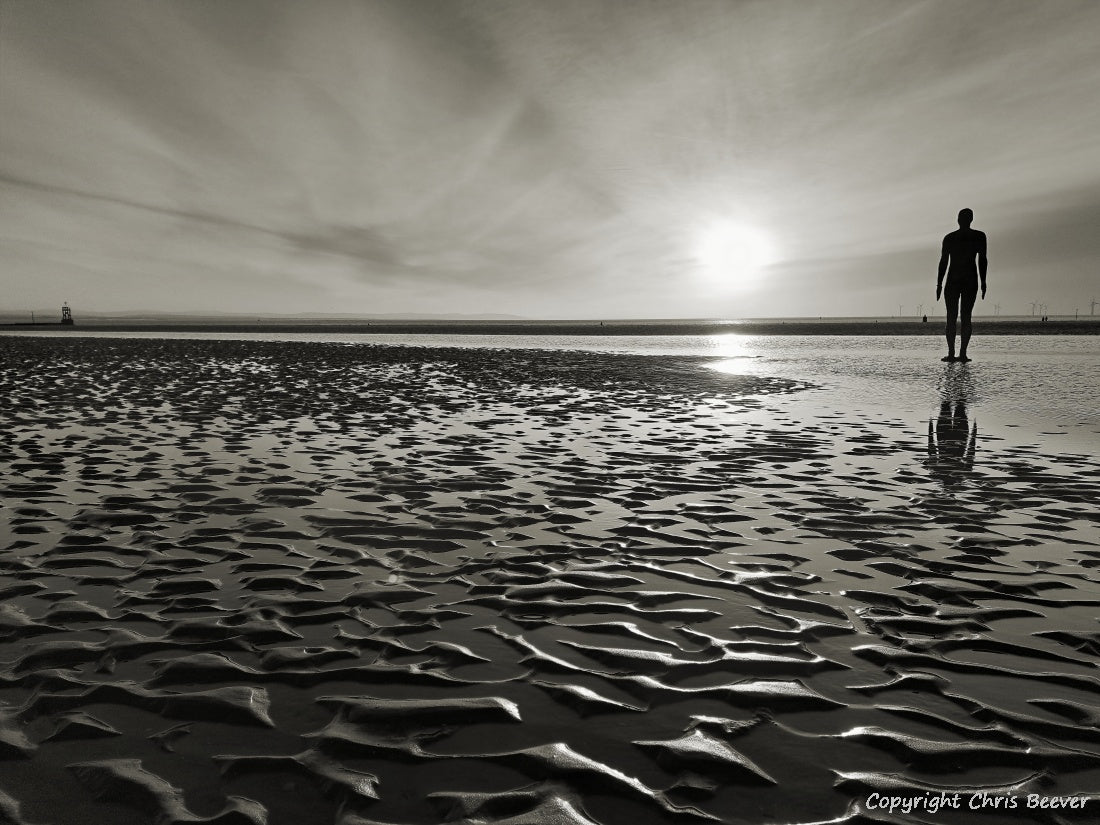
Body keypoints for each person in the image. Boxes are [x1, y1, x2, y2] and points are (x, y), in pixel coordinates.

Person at [935, 208, 987, 362]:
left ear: (959, 219)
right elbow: (944, 261)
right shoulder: (976, 236)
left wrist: (939, 283)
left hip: (958, 280)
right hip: (965, 280)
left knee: (954, 318)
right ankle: (959, 353)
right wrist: (983, 281)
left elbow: (982, 260)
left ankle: (956, 353)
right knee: (963, 317)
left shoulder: (952, 238)